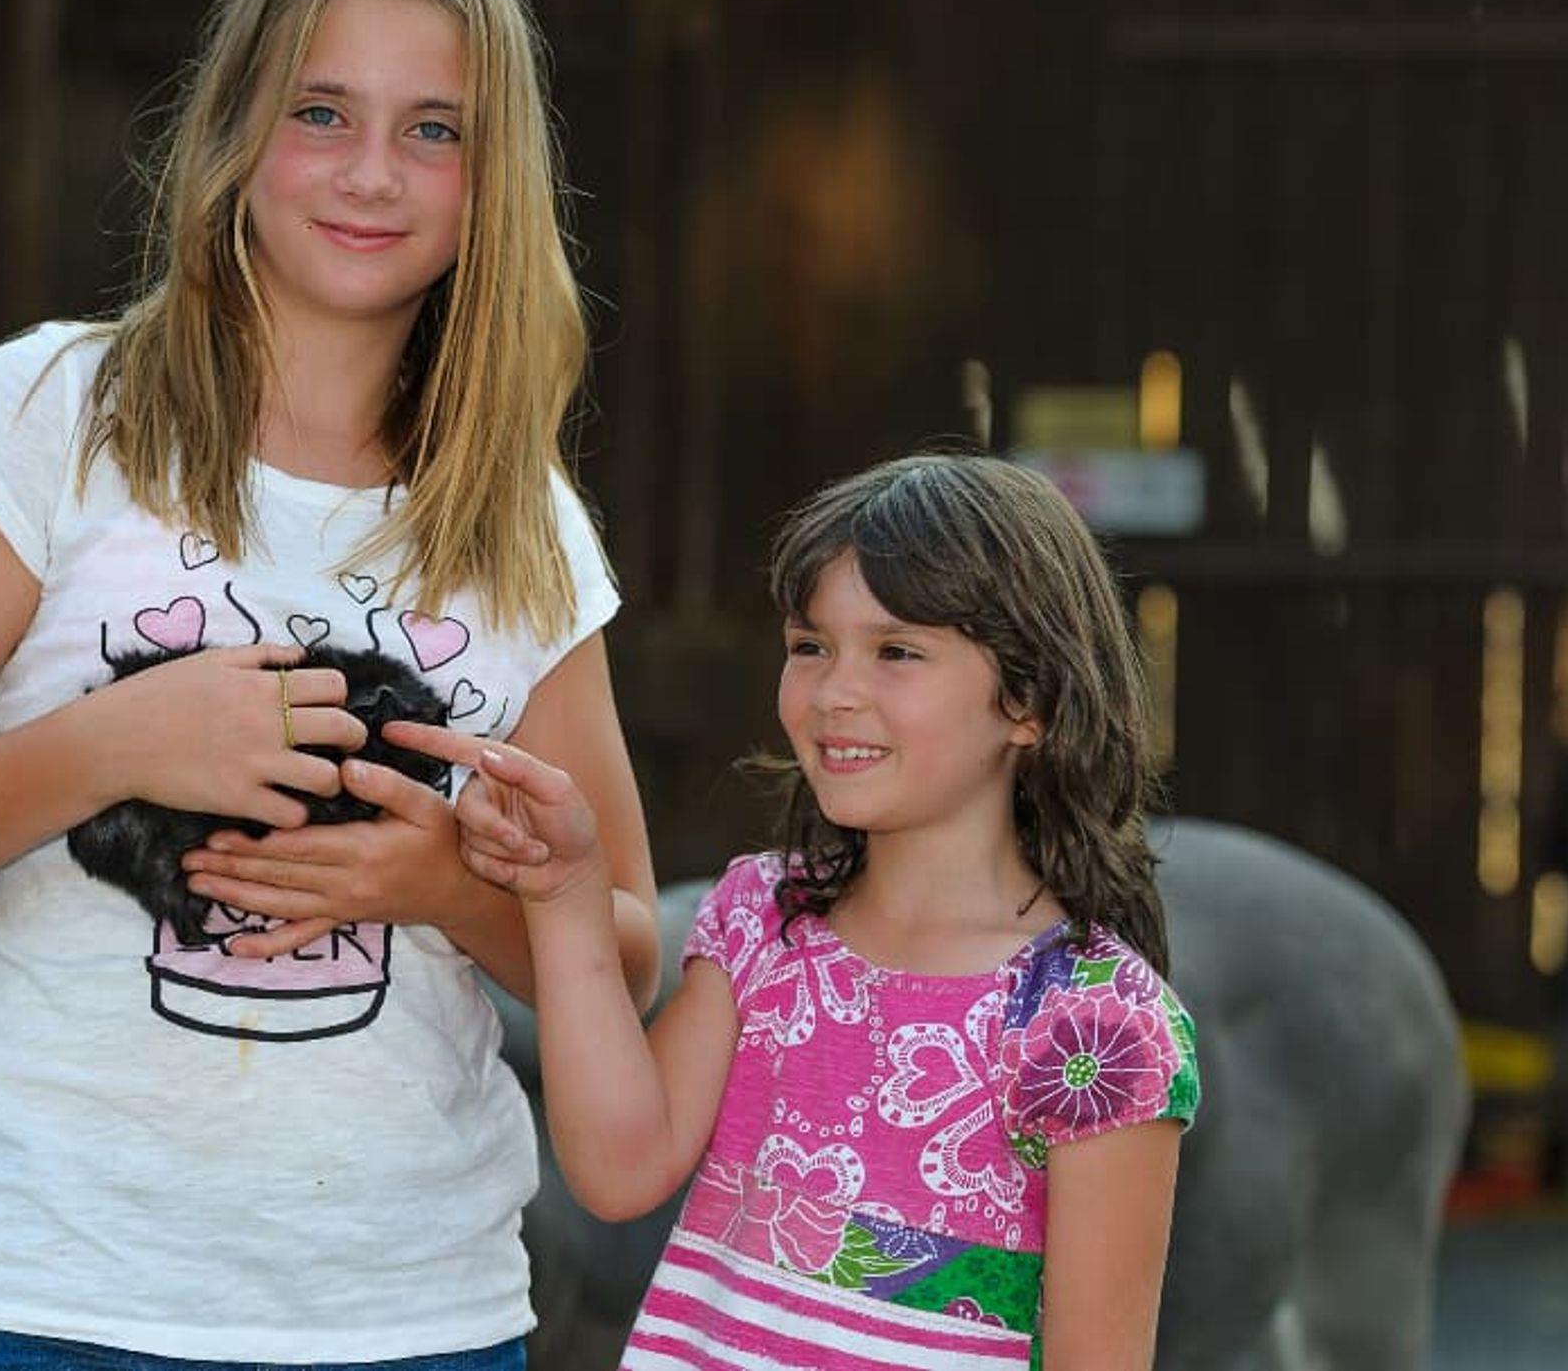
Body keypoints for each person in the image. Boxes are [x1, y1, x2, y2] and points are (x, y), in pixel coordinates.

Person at [0, 0, 657, 1371]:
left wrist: (446, 885)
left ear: (491, 177)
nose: (370, 173)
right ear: (236, 131)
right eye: (322, 112)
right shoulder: (51, 418)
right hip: (43, 1293)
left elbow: (623, 947)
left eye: (432, 130)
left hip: (406, 1311)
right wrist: (116, 743)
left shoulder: (521, 522)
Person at [395, 453, 1200, 1371]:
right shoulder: (763, 920)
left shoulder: (1101, 1027)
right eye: (810, 646)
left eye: (897, 652)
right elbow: (620, 1171)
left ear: (1030, 699)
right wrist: (565, 894)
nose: (833, 692)